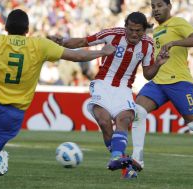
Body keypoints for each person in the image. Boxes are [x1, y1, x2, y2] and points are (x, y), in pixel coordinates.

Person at [0, 9, 116, 176]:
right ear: (27, 30)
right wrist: (101, 52)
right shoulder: (40, 45)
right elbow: (76, 57)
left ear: (6, 27)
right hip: (11, 115)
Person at [50, 11, 169, 179]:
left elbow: (149, 74)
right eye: (131, 29)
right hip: (102, 84)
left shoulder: (148, 45)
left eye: (139, 31)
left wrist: (158, 63)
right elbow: (84, 41)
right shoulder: (111, 34)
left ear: (144, 30)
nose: (134, 34)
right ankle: (123, 161)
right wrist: (62, 41)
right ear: (125, 27)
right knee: (105, 122)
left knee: (125, 119)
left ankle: (117, 159)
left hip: (124, 88)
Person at [131, 0, 193, 176]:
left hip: (179, 81)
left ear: (169, 7)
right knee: (138, 110)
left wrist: (174, 43)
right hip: (158, 82)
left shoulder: (178, 22)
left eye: (160, 5)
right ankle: (136, 159)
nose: (156, 9)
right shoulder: (157, 29)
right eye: (153, 6)